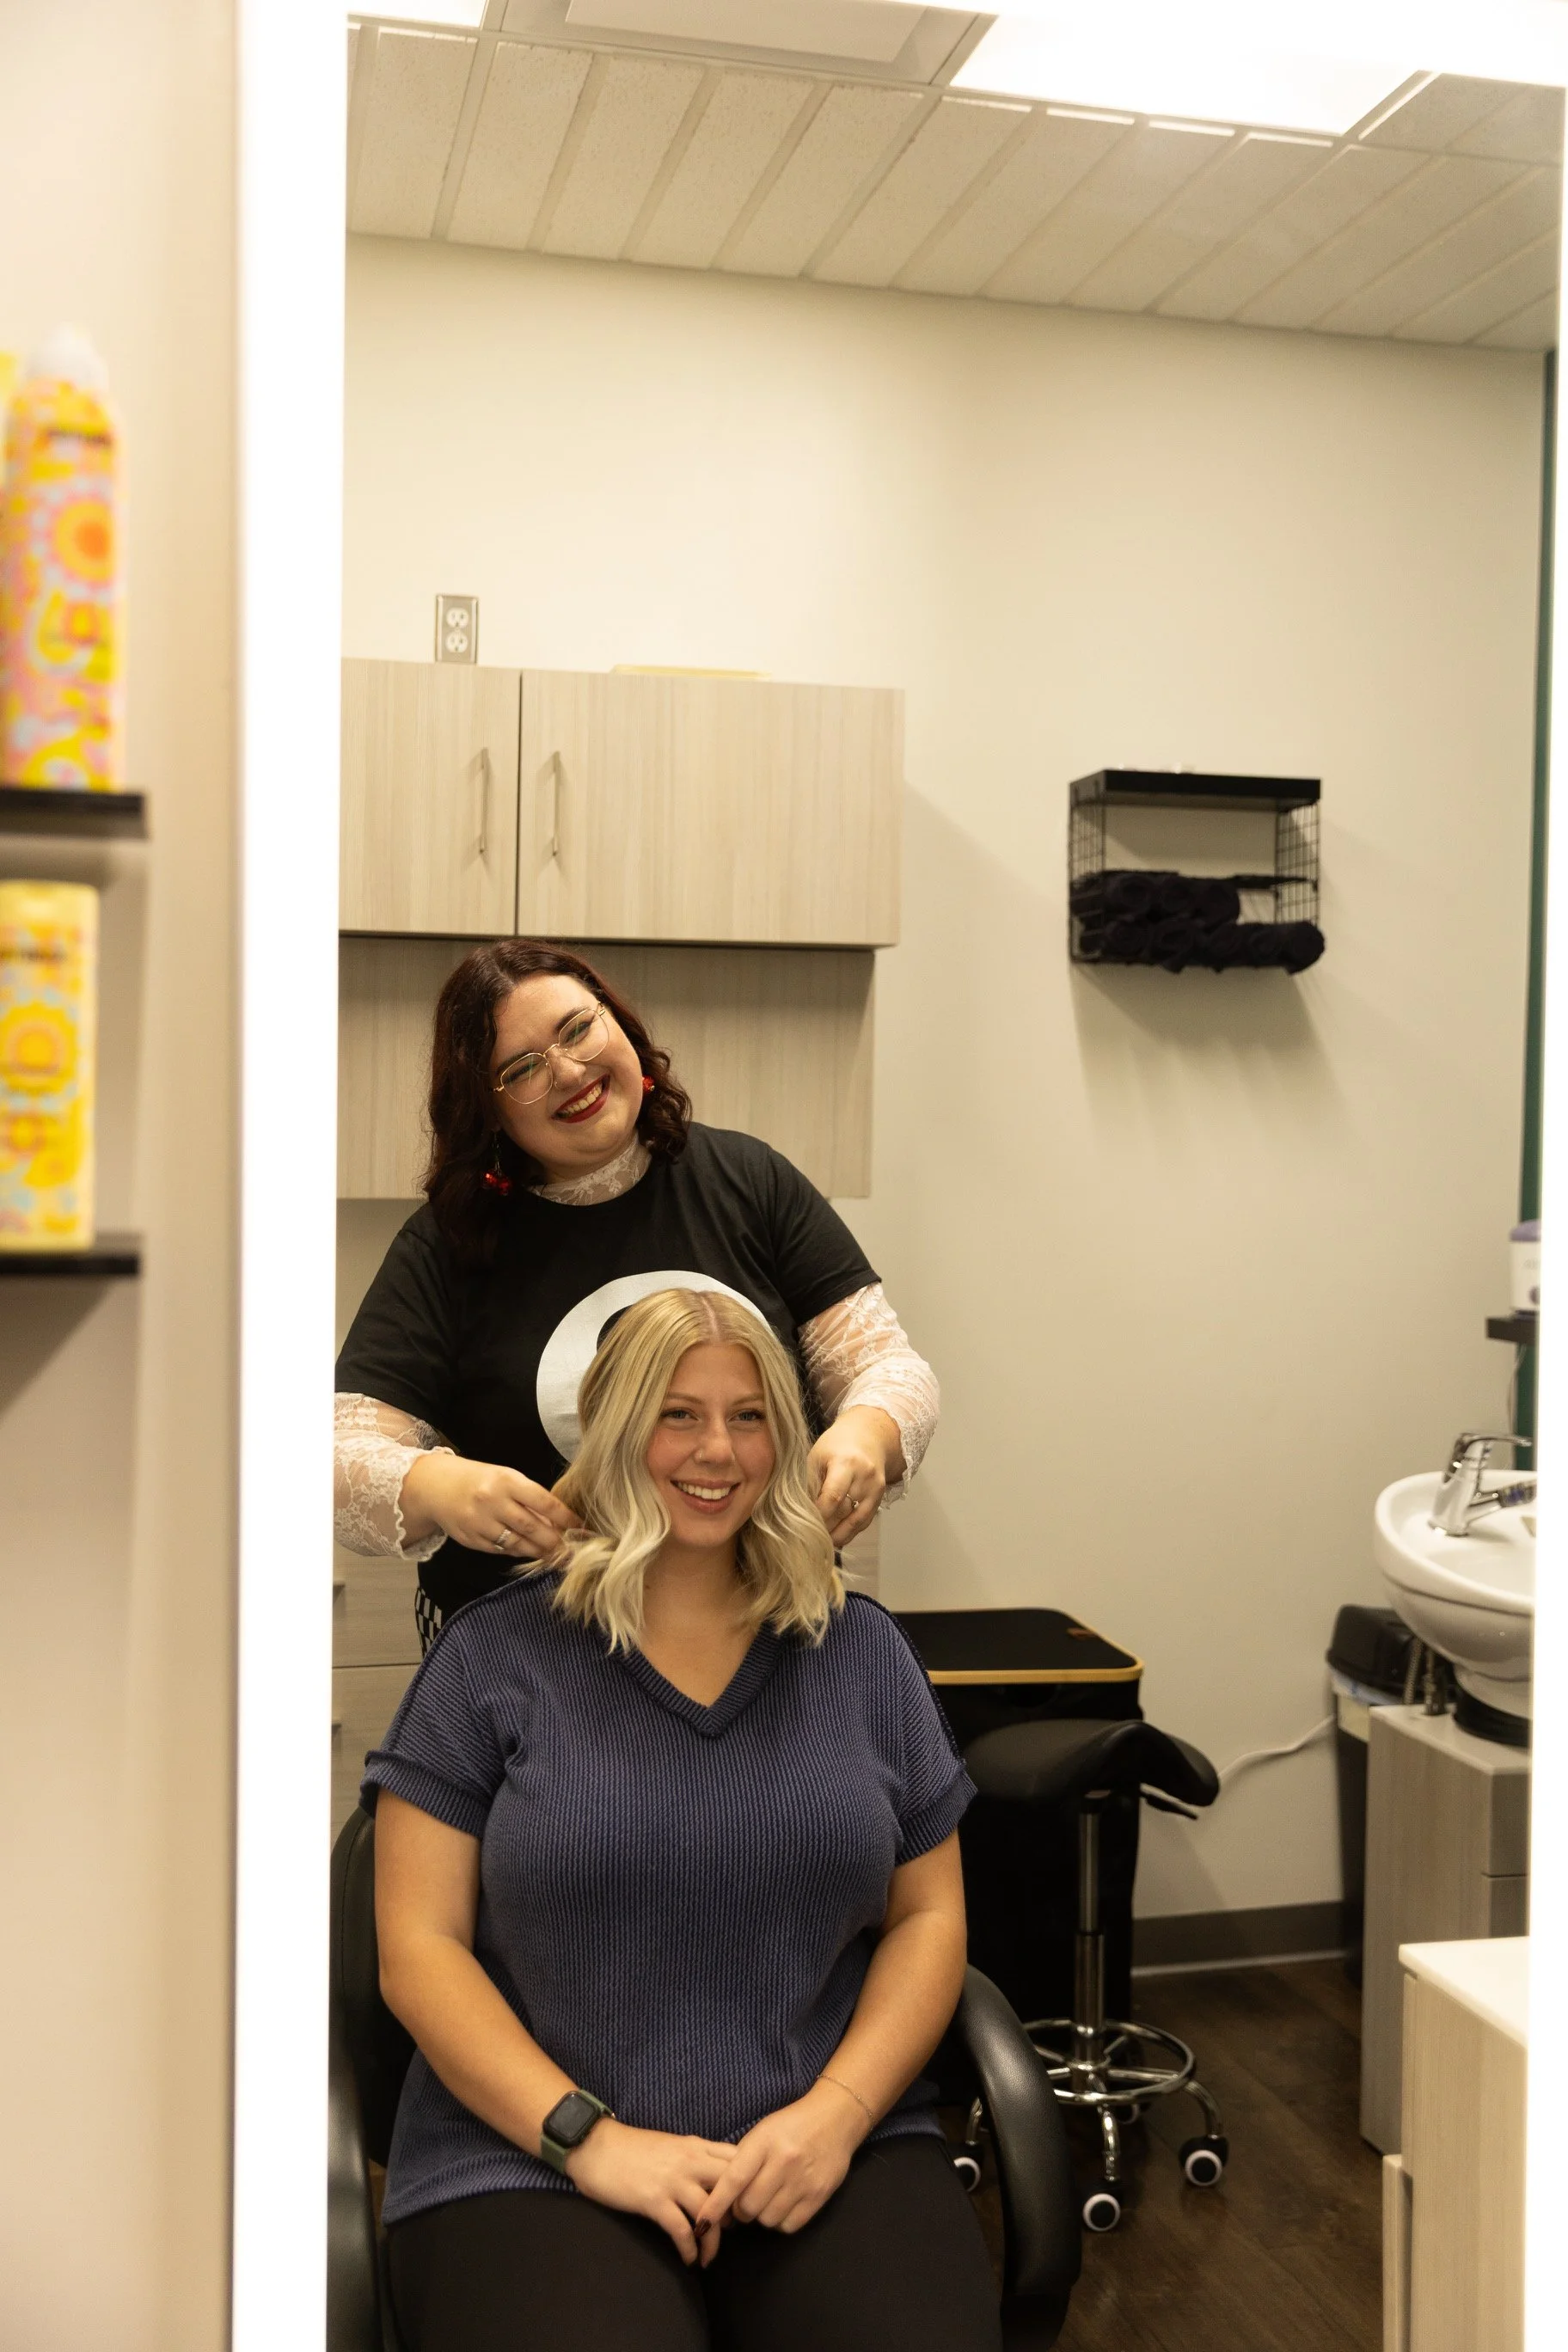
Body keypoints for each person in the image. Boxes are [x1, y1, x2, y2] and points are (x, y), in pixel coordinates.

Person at [365, 1288, 999, 2352]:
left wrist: (837, 2114)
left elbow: (931, 1920)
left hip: (816, 2143)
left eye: (749, 1416)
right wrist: (589, 2139)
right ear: (614, 1433)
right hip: (532, 2157)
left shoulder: (861, 1653)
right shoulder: (491, 1660)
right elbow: (418, 1950)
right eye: (678, 1413)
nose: (719, 1450)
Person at [334, 940, 938, 1645]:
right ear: (488, 1114)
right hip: (537, 1660)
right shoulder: (449, 1245)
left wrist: (868, 1432)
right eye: (522, 1068)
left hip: (765, 1632)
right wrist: (438, 1488)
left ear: (619, 1023)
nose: (568, 1070)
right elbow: (340, 1454)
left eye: (577, 1029)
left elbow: (888, 1368)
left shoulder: (751, 1183)